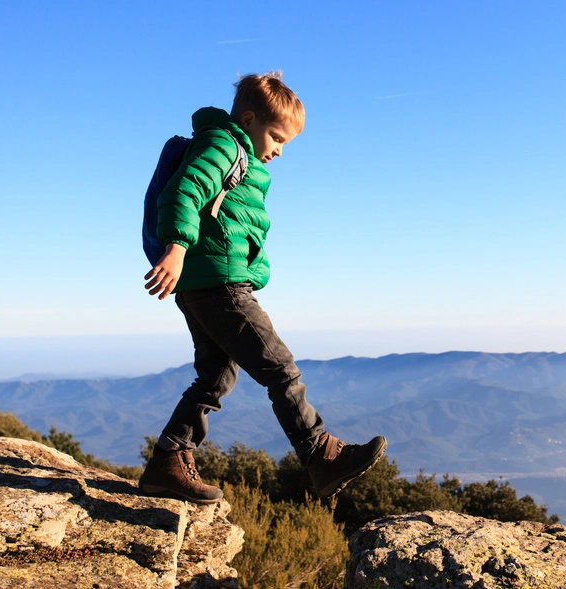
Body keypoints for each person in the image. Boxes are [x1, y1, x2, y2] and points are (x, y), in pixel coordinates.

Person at [138, 71, 386, 504]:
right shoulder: (224, 145)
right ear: (249, 119)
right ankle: (321, 455)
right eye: (276, 137)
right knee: (280, 368)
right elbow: (185, 189)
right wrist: (177, 246)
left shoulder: (237, 153)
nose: (279, 151)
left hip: (203, 283)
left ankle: (168, 461)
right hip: (220, 283)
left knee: (216, 374)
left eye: (286, 143)